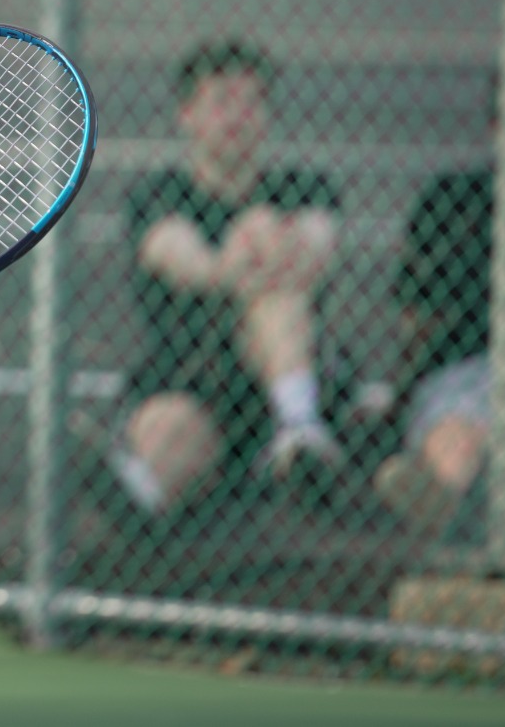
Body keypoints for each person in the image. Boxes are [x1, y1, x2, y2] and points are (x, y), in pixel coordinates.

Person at [106, 40, 345, 519]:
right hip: (196, 376)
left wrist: (261, 240)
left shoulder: (303, 188)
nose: (238, 116)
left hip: (283, 367)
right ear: (187, 115)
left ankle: (297, 433)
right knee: (167, 434)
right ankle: (144, 495)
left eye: (251, 102)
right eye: (221, 102)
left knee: (276, 295)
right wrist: (234, 261)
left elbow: (319, 245)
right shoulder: (161, 194)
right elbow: (177, 255)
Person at [373, 86, 495, 534]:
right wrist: (400, 385)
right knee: (458, 432)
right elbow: (417, 313)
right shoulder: (456, 198)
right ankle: (445, 506)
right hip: (475, 364)